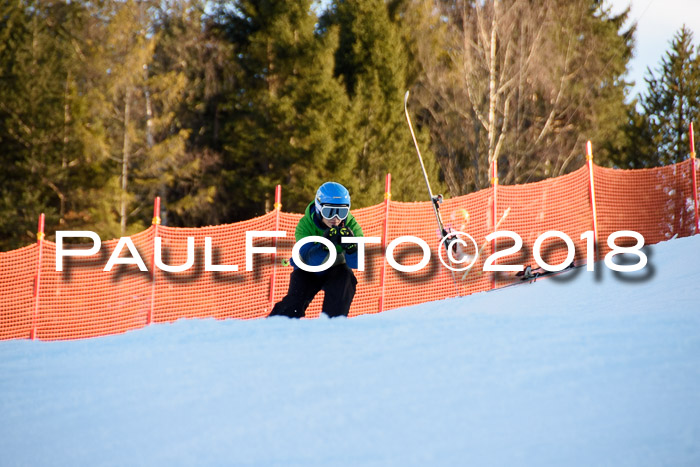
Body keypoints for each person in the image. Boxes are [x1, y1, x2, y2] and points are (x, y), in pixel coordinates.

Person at [269, 182, 363, 319]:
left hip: (337, 268)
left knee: (345, 282)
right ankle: (275, 324)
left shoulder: (351, 225)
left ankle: (333, 323)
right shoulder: (305, 225)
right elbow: (309, 261)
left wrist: (353, 248)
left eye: (342, 212)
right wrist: (323, 247)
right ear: (319, 208)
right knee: (294, 304)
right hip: (308, 270)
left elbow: (359, 263)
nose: (335, 219)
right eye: (329, 212)